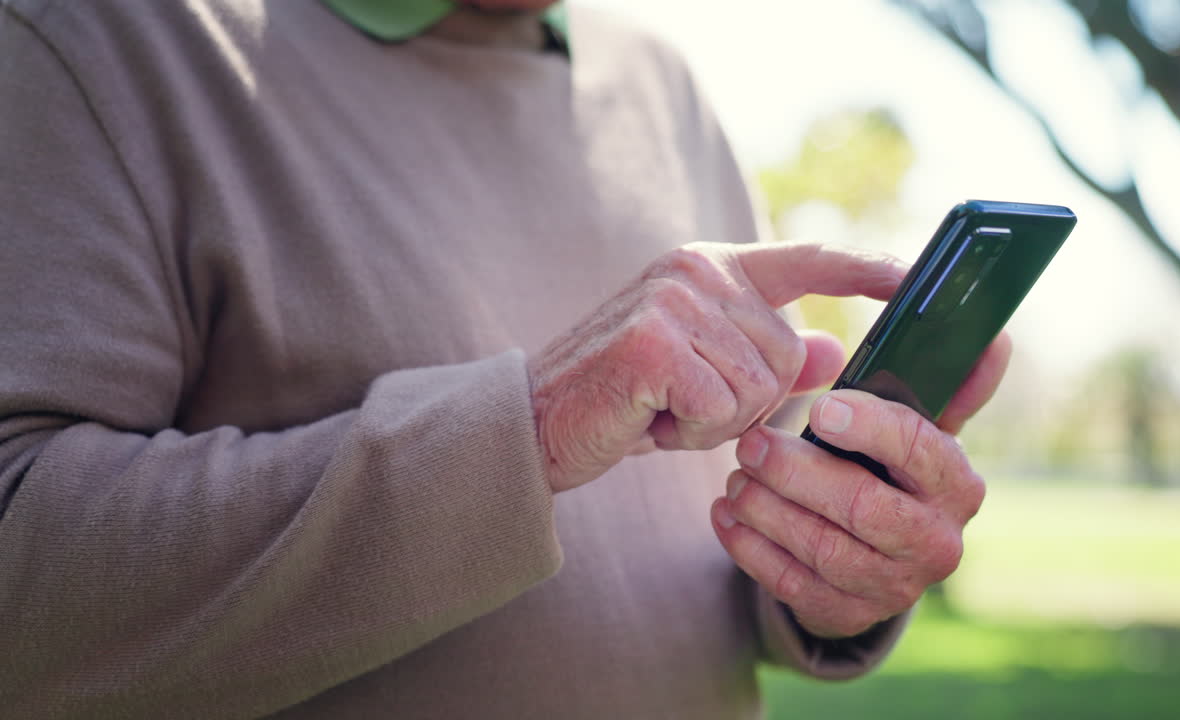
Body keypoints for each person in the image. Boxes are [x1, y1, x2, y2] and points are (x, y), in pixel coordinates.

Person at [0, 0, 1010, 717]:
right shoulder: (96, 41)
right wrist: (529, 428)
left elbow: (674, 569)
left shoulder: (662, 84)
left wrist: (827, 560)